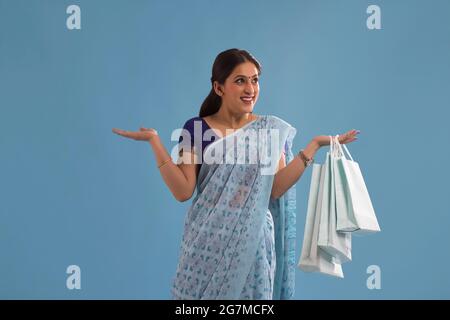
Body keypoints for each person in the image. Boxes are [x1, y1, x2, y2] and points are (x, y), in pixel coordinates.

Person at [112, 48, 359, 299]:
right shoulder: (196, 129)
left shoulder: (268, 130)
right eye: (240, 81)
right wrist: (155, 142)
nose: (250, 88)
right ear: (219, 88)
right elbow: (183, 191)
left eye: (255, 80)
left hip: (252, 242)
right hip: (205, 240)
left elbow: (274, 188)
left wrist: (313, 146)